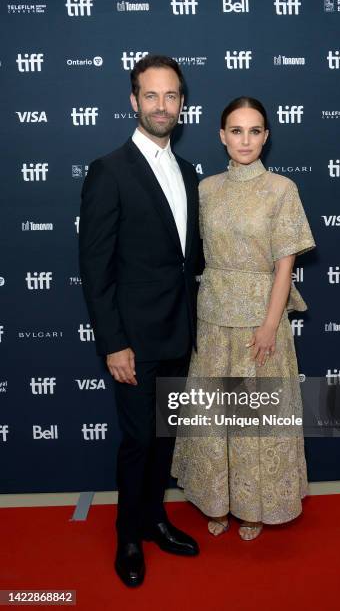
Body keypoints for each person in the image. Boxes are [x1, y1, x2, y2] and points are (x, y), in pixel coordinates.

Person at [79, 55, 202, 587]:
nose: (161, 105)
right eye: (150, 95)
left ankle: (155, 519)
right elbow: (95, 267)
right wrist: (114, 344)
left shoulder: (189, 170)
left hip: (179, 332)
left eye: (170, 95)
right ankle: (128, 535)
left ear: (182, 103)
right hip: (133, 339)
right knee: (136, 441)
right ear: (134, 101)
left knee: (165, 437)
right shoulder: (110, 170)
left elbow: (185, 261)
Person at [171, 96, 316, 541]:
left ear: (266, 136)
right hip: (213, 316)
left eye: (254, 131)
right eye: (236, 130)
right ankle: (219, 499)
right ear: (222, 136)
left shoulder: (281, 189)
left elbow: (285, 262)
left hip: (260, 318)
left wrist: (271, 322)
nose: (245, 140)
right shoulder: (206, 189)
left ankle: (254, 507)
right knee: (215, 416)